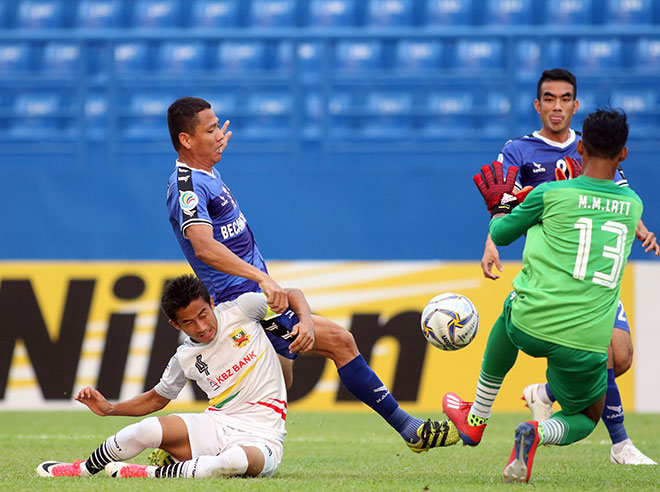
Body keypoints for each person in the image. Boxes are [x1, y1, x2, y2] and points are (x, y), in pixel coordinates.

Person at [163, 96, 458, 454]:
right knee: (340, 342)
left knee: (279, 385)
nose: (218, 135)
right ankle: (409, 428)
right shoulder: (187, 187)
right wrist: (262, 278)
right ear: (186, 140)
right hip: (243, 304)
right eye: (209, 131)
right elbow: (204, 247)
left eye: (217, 127)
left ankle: (192, 443)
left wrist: (209, 149)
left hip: (255, 299)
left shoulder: (206, 173)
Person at [444, 108, 645, 483]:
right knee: (585, 418)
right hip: (586, 343)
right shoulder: (633, 206)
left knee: (509, 311)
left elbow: (502, 234)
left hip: (530, 323)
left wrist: (504, 205)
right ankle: (537, 432)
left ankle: (477, 418)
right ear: (624, 155)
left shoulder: (549, 193)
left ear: (579, 147)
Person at [479, 68, 658, 465]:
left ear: (575, 105)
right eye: (549, 99)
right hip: (558, 271)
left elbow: (620, 194)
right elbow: (504, 201)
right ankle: (620, 443)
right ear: (538, 104)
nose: (556, 106)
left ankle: (542, 395)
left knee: (622, 355)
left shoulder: (594, 145)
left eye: (564, 99)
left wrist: (641, 228)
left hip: (594, 270)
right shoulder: (518, 151)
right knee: (604, 353)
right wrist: (492, 243)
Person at [37, 274, 310, 479]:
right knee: (146, 429)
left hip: (263, 438)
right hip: (216, 425)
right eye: (189, 322)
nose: (202, 326)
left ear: (212, 303)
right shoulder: (184, 358)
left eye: (204, 314)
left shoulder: (244, 309)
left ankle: (146, 472)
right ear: (175, 324)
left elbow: (293, 294)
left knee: (228, 463)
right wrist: (110, 409)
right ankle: (83, 469)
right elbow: (156, 400)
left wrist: (305, 322)